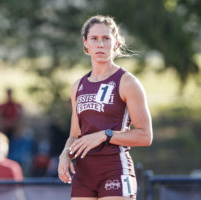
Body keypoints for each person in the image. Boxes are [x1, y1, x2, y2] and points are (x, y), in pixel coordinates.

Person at [57, 15, 153, 200]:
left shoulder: (127, 82)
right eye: (94, 39)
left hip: (115, 170)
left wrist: (105, 135)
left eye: (106, 38)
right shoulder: (78, 86)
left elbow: (145, 136)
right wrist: (65, 154)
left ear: (116, 43)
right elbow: (74, 135)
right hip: (84, 174)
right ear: (86, 44)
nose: (100, 44)